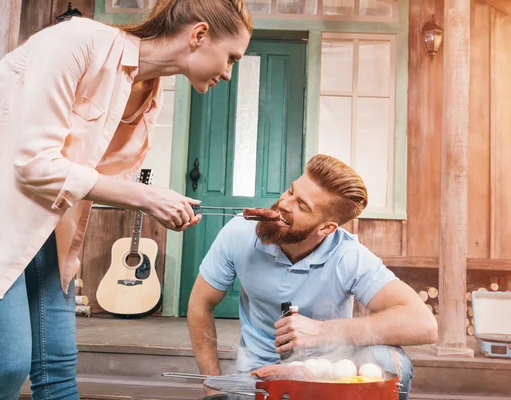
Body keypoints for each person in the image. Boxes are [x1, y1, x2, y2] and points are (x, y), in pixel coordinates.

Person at [0, 1, 252, 399]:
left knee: (57, 368)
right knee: (4, 365)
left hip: (48, 227)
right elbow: (33, 164)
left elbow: (93, 180)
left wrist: (156, 202)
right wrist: (144, 197)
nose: (229, 73)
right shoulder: (77, 42)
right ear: (198, 34)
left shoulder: (149, 96)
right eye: (230, 58)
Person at [187, 154, 439, 400]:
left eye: (301, 205)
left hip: (324, 377)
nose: (285, 203)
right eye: (291, 191)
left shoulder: (348, 256)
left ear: (326, 228)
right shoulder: (239, 233)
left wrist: (322, 331)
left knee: (391, 361)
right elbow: (200, 305)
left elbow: (424, 324)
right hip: (255, 376)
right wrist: (214, 388)